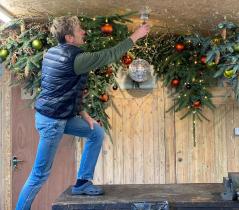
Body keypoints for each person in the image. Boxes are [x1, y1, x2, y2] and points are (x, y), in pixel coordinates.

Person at [15, 16, 150, 210]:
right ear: (69, 37)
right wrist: (136, 35)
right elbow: (109, 55)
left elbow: (65, 89)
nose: (84, 32)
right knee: (39, 175)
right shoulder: (77, 59)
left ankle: (82, 182)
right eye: (79, 30)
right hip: (52, 121)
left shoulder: (52, 53)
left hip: (58, 115)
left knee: (95, 132)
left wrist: (83, 114)